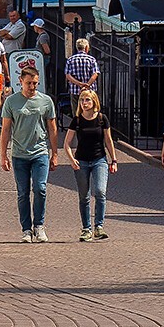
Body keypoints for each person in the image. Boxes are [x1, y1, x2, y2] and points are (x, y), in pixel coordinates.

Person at [0, 62, 58, 242]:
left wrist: (54, 153)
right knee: (23, 192)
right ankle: (26, 229)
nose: (32, 87)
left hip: (40, 152)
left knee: (40, 189)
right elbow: (5, 130)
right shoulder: (11, 101)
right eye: (29, 83)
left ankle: (39, 226)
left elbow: (52, 128)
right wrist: (3, 155)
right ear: (21, 82)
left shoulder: (45, 101)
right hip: (19, 154)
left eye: (35, 83)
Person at [62, 88, 117, 241]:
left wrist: (114, 160)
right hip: (82, 161)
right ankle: (86, 229)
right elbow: (66, 143)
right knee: (84, 196)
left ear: (94, 102)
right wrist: (71, 159)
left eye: (87, 100)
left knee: (100, 191)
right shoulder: (77, 120)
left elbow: (108, 140)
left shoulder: (101, 118)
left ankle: (99, 226)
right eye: (82, 100)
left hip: (99, 159)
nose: (84, 103)